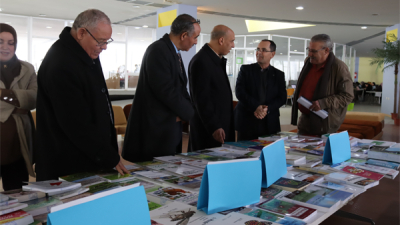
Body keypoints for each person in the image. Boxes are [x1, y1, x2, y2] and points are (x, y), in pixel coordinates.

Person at [35, 9, 128, 181]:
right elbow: (75, 123)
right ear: (81, 33)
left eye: (107, 41)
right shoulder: (61, 63)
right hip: (68, 165)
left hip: (89, 157)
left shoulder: (85, 53)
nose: (105, 47)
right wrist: (108, 156)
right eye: (101, 42)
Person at [122, 14, 199, 162]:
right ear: (184, 35)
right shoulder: (158, 50)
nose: (196, 42)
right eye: (195, 37)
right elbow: (165, 90)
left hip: (166, 130)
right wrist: (188, 112)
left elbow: (182, 88)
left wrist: (187, 110)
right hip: (154, 133)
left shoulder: (173, 51)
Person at [291, 34, 353, 135]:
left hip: (325, 122)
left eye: (314, 51)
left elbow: (347, 96)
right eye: (309, 50)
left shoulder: (339, 67)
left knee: (319, 150)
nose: (310, 54)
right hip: (305, 119)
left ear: (326, 50)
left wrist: (323, 103)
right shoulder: (308, 62)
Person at [0, 24, 36, 190]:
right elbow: (25, 101)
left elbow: (34, 99)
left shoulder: (27, 69)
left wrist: (2, 94)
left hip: (18, 145)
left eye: (11, 42)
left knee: (18, 195)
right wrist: (18, 104)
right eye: (0, 41)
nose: (5, 47)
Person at [188, 25, 235, 151]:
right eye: (231, 41)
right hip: (210, 130)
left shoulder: (215, 59)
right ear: (221, 40)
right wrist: (214, 126)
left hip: (220, 126)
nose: (233, 45)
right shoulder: (201, 61)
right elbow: (201, 99)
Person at [234, 40, 287, 141]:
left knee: (269, 153)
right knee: (245, 153)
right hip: (247, 120)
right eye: (258, 49)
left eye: (263, 50)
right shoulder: (246, 70)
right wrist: (256, 107)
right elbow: (239, 92)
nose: (259, 52)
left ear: (272, 54)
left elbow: (282, 98)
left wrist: (267, 109)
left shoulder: (279, 74)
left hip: (270, 121)